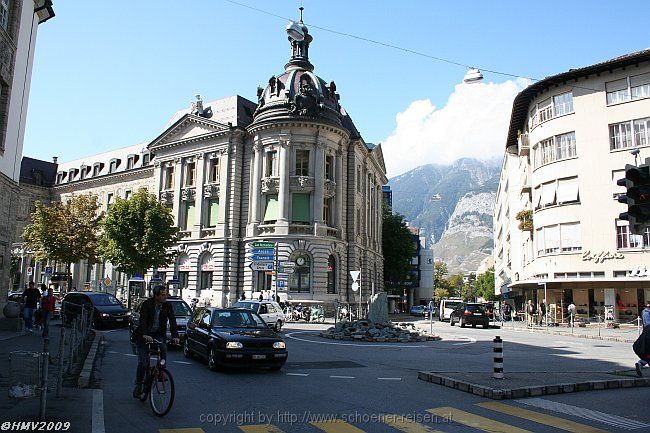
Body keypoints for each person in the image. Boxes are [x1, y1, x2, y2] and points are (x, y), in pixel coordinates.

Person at [132, 285, 180, 398]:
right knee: (143, 363)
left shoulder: (167, 306)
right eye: (163, 295)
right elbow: (143, 320)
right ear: (156, 296)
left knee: (163, 347)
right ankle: (138, 385)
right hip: (144, 335)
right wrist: (145, 334)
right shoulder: (147, 304)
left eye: (166, 294)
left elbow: (172, 320)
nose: (165, 297)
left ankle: (161, 372)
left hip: (158, 334)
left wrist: (175, 336)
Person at [634, 302, 650, 376]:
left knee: (647, 354)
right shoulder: (646, 313)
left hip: (646, 335)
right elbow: (647, 325)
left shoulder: (645, 312)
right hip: (647, 335)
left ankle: (640, 364)